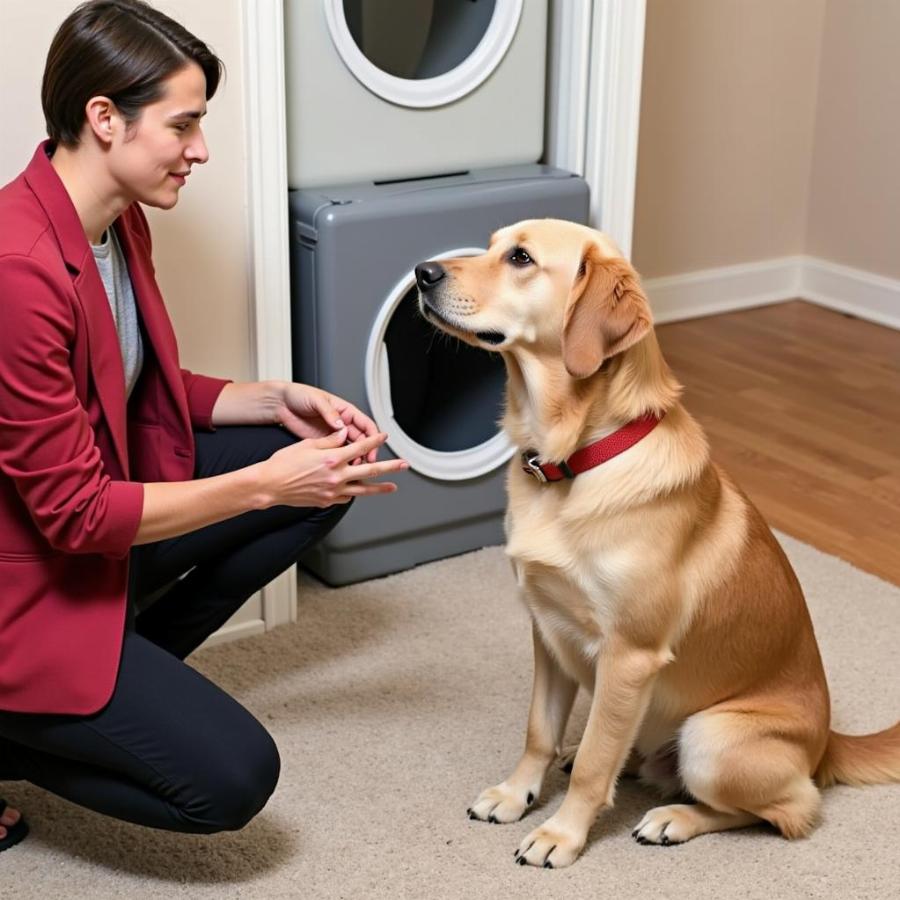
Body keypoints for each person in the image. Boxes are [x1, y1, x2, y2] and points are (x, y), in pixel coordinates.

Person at [0, 0, 408, 851]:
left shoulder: (117, 219)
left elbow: (125, 385)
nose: (202, 149)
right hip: (27, 576)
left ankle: (117, 668)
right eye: (183, 124)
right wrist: (262, 483)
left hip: (88, 526)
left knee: (311, 468)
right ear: (103, 118)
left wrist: (267, 400)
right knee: (229, 782)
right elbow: (77, 515)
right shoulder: (17, 270)